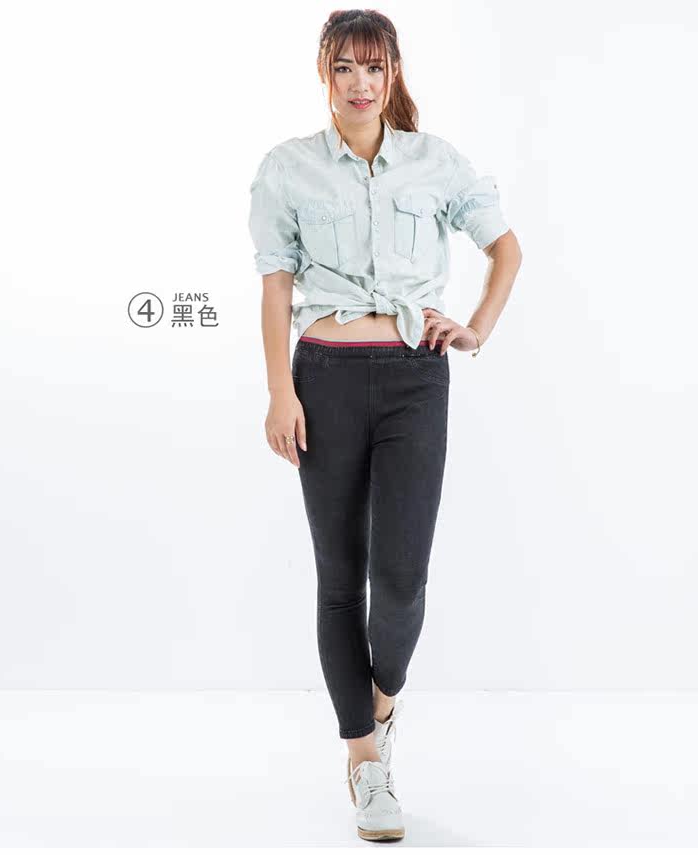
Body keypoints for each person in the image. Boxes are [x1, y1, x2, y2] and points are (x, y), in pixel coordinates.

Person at [248, 9, 522, 842]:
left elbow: (505, 248)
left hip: (414, 378)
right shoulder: (287, 168)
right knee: (341, 576)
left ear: (393, 73)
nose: (360, 84)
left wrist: (475, 327)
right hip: (323, 378)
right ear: (323, 75)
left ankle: (381, 699)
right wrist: (279, 392)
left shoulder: (436, 162)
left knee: (401, 580)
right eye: (344, 68)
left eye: (373, 67)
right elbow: (275, 286)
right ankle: (366, 763)